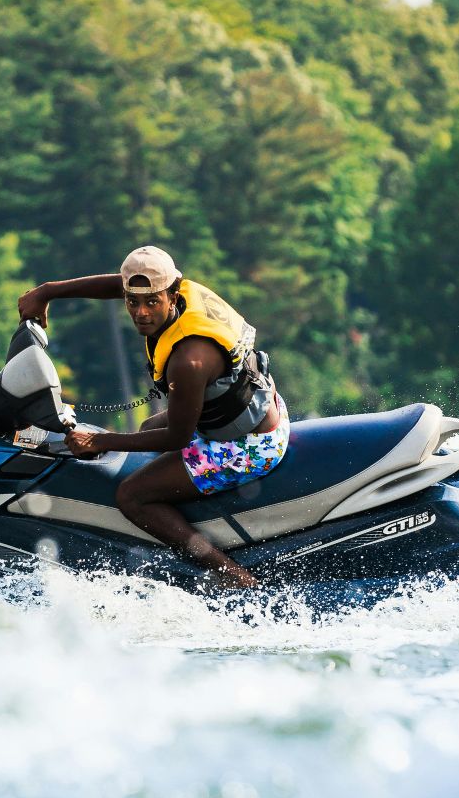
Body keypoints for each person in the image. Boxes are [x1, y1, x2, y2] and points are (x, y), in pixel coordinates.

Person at [17, 246, 289, 589]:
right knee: (146, 430)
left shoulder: (188, 360)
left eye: (151, 303)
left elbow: (176, 437)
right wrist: (48, 292)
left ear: (171, 296)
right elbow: (118, 285)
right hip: (253, 406)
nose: (141, 313)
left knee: (132, 495)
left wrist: (99, 441)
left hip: (249, 445)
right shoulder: (177, 292)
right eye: (133, 302)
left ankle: (231, 577)